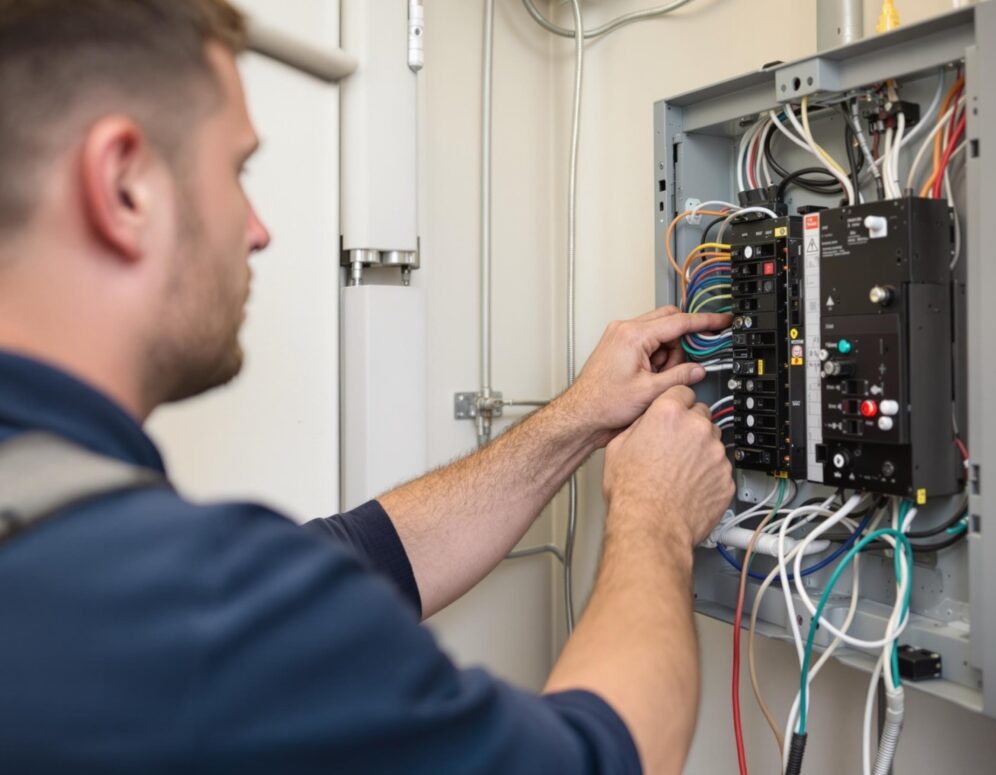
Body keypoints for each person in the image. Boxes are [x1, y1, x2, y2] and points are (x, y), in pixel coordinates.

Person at [0, 1, 734, 773]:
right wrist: (654, 513)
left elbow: (360, 556)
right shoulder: (180, 606)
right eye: (235, 170)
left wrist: (578, 420)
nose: (258, 229)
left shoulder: (73, 550)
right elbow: (599, 760)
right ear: (124, 188)